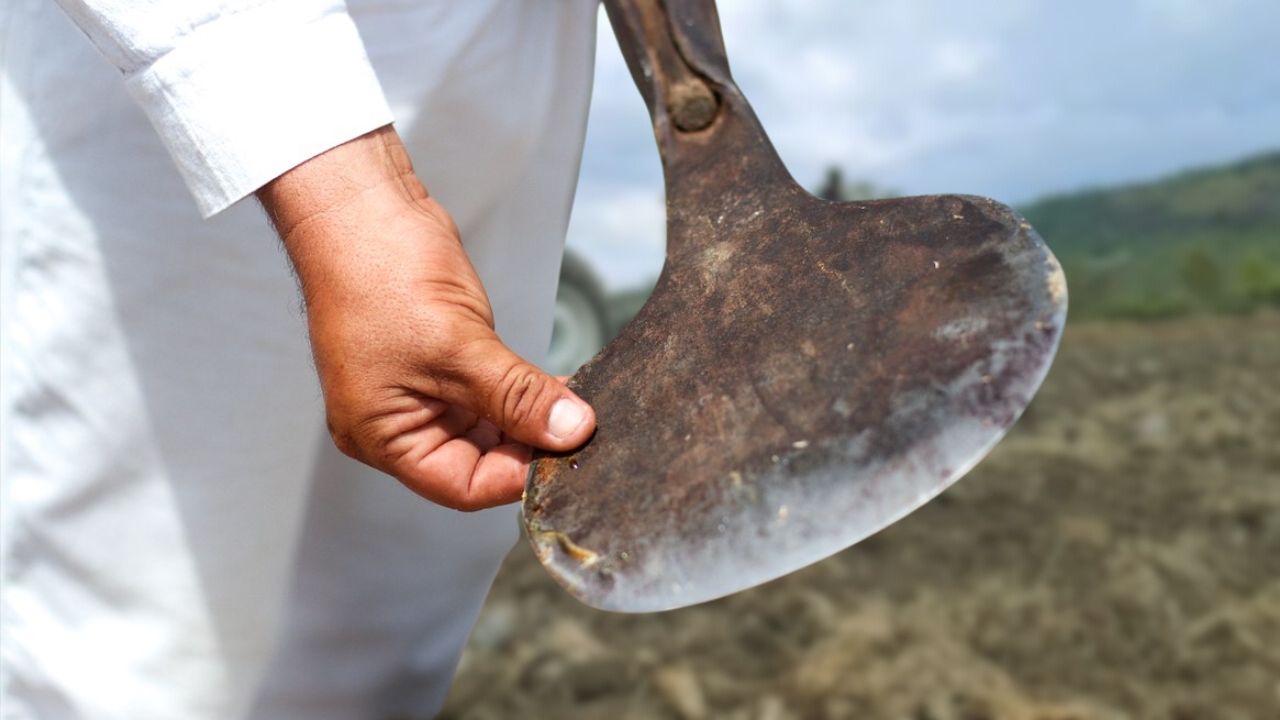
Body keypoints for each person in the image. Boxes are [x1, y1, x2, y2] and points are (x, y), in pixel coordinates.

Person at [0, 0, 601, 717]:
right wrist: (344, 200)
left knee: (395, 635)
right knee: (143, 651)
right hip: (188, 82)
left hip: (529, 49)